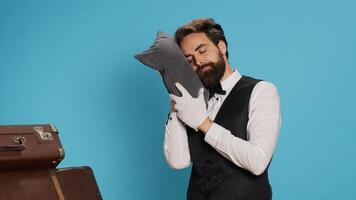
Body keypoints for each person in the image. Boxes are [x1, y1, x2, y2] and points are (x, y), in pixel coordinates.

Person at [163, 18, 281, 200]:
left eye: (202, 50)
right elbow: (178, 162)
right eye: (189, 60)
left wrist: (204, 124)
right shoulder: (194, 100)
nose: (199, 61)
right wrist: (176, 101)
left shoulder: (261, 91)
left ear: (221, 47)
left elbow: (258, 161)